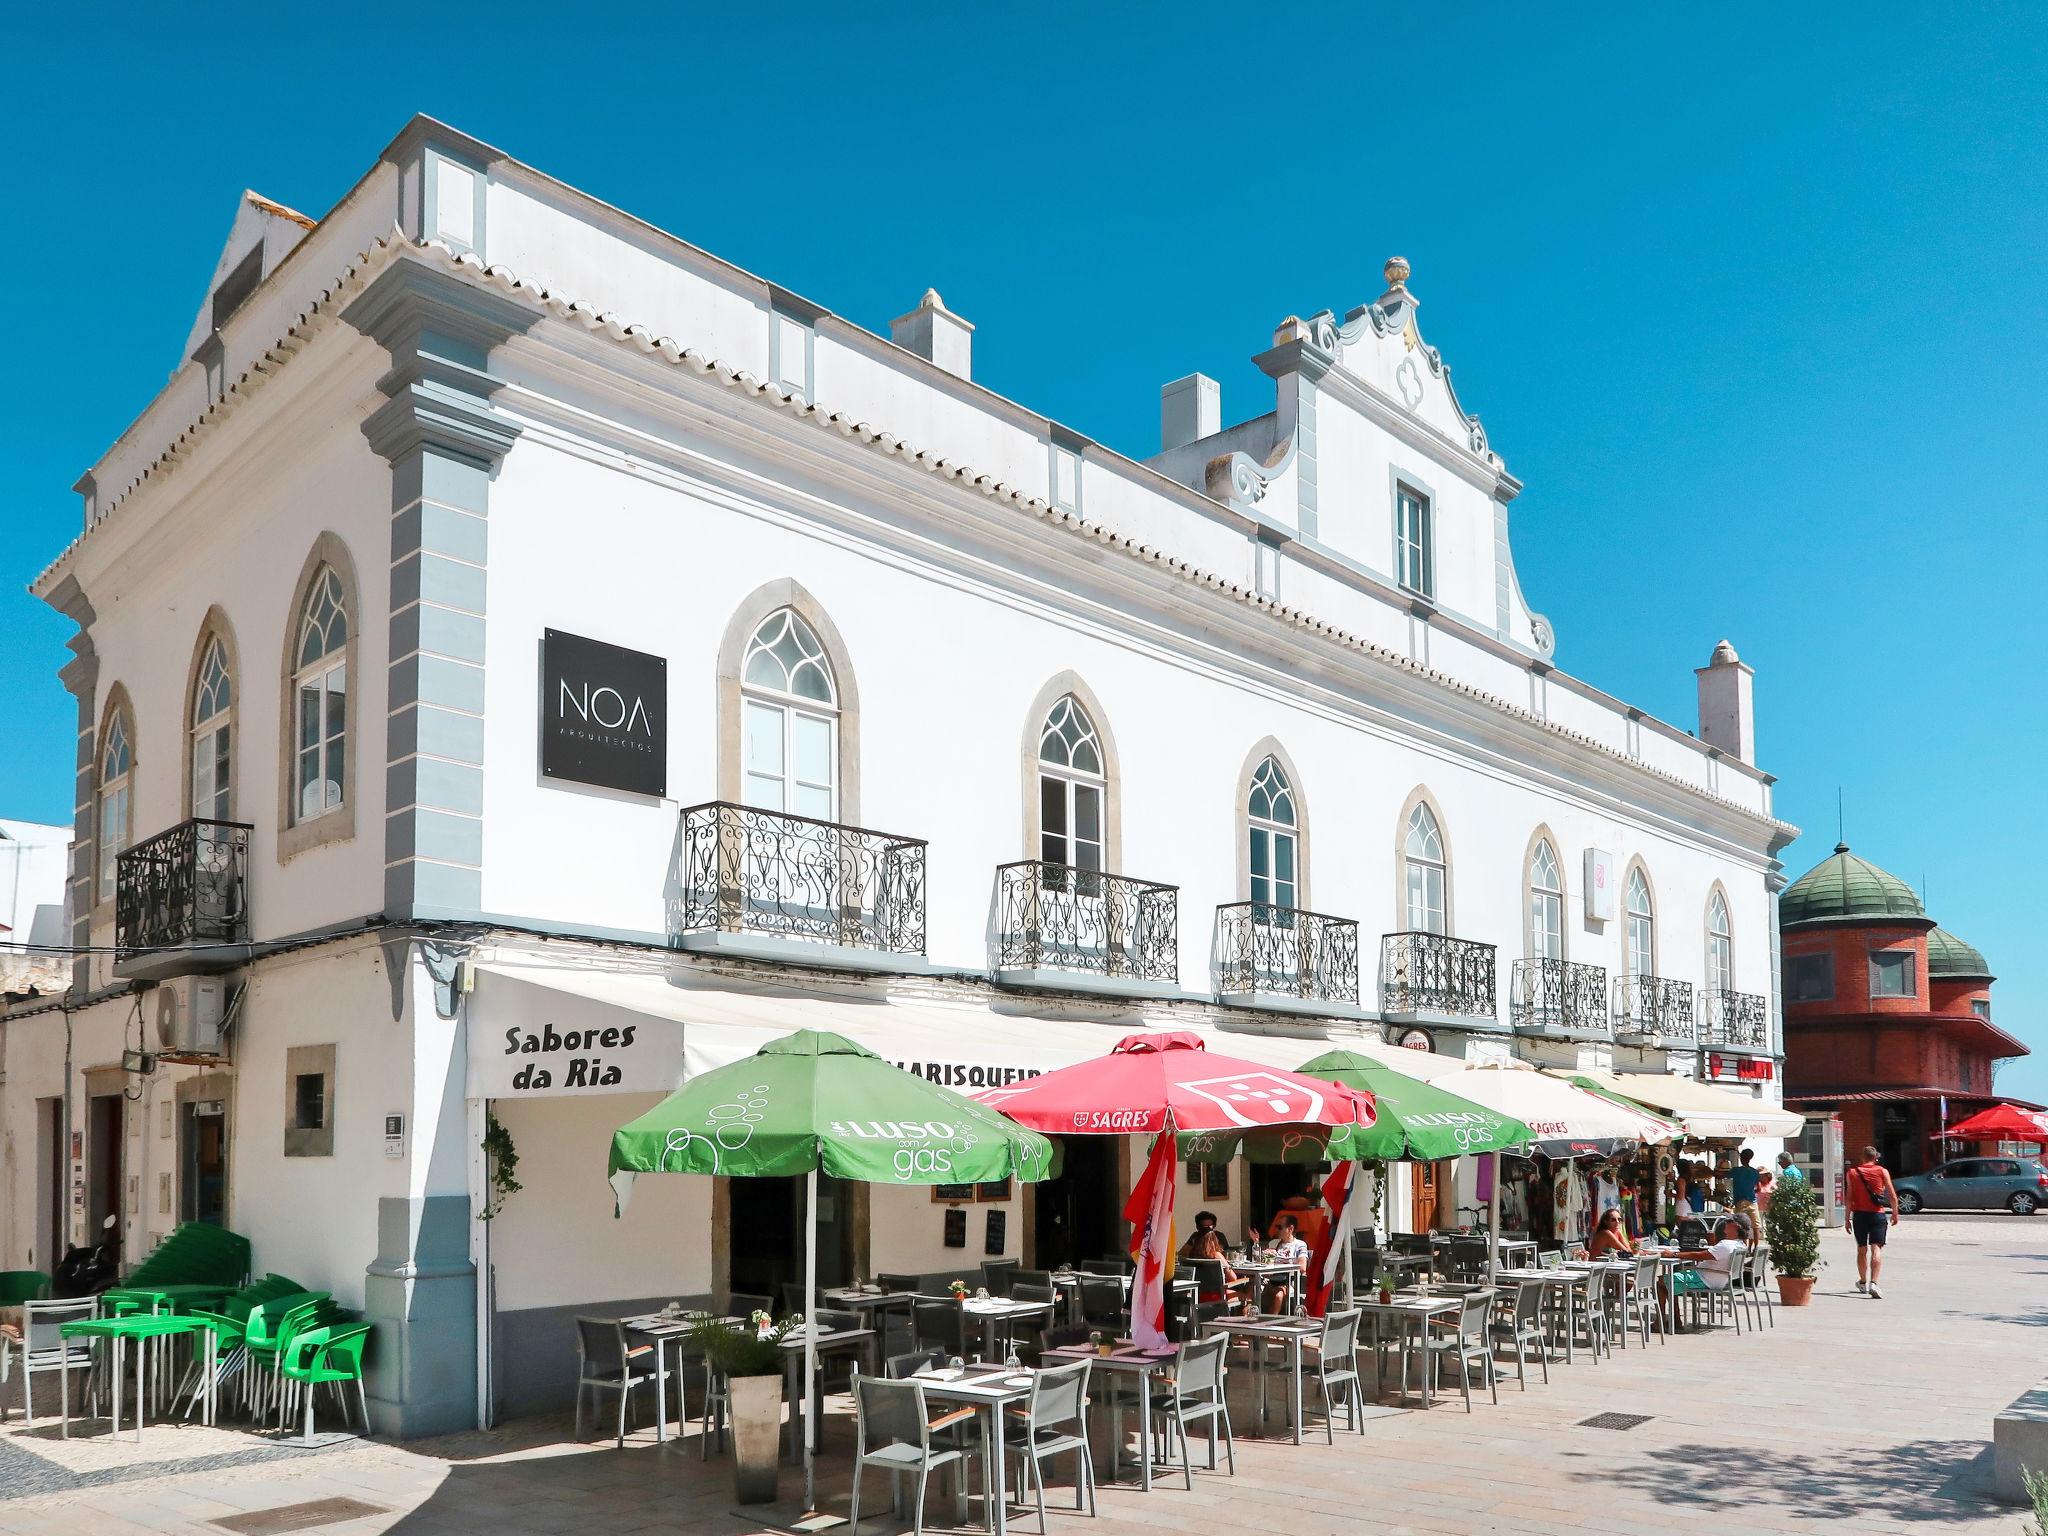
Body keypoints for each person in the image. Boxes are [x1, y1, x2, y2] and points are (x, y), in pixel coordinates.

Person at [1845, 1145, 1902, 1298]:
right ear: (1875, 1158)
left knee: (1861, 1249)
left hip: (1859, 1215)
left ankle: (1863, 1282)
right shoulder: (1883, 1171)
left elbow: (1849, 1198)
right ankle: (1874, 1283)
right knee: (1876, 1248)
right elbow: (1891, 1194)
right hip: (1878, 1214)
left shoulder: (1852, 1173)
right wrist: (1895, 1213)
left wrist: (1846, 1219)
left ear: (1863, 1157)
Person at [1264, 1213, 1310, 1312]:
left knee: (1278, 1295)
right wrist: (1267, 1256)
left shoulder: (1299, 1245)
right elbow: (1267, 1266)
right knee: (1252, 1291)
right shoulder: (1274, 1243)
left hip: (1289, 1282)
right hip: (1270, 1280)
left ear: (1290, 1229)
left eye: (1279, 1227)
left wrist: (1281, 1261)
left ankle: (1270, 1324)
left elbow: (1302, 1267)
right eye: (1276, 1227)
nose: (1276, 1230)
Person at [1730, 1149, 1762, 1249]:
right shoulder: (1754, 1172)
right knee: (1756, 1226)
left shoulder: (1736, 1171)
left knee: (1741, 1225)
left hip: (1740, 1201)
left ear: (1740, 1158)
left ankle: (1744, 1247)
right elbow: (1759, 1188)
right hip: (1752, 1201)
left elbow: (1720, 1175)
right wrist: (1750, 1192)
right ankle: (1756, 1248)